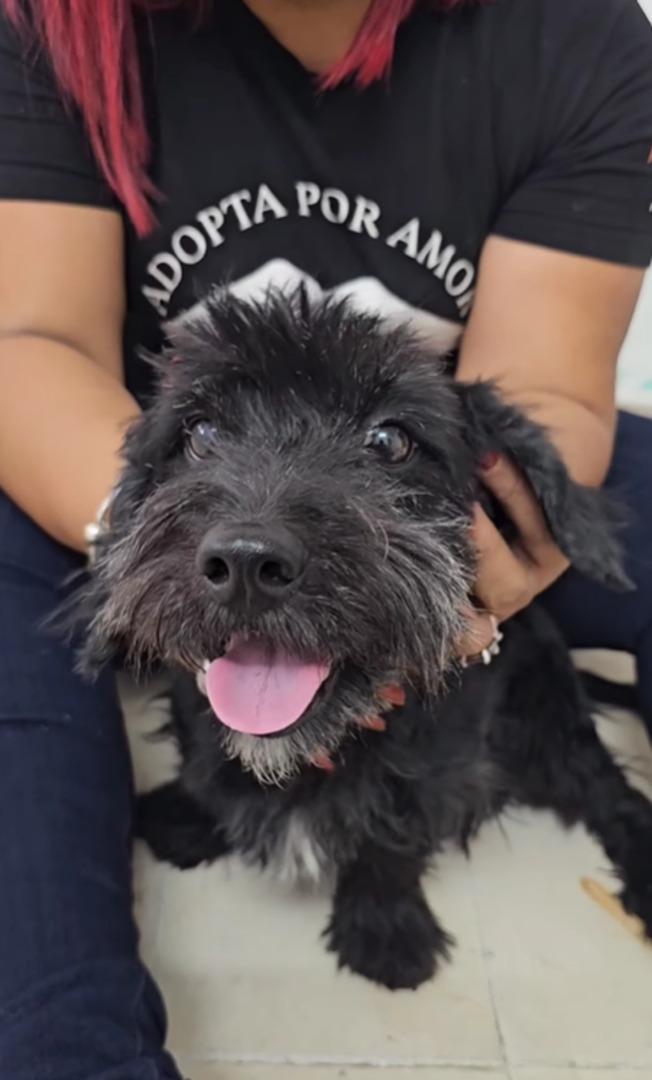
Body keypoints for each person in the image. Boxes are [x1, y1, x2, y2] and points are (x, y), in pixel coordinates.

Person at [0, 0, 651, 1074]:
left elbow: (538, 392)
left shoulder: (580, 35)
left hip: (445, 456)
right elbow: (29, 340)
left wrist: (462, 591)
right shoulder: (43, 29)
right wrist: (146, 551)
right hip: (122, 448)